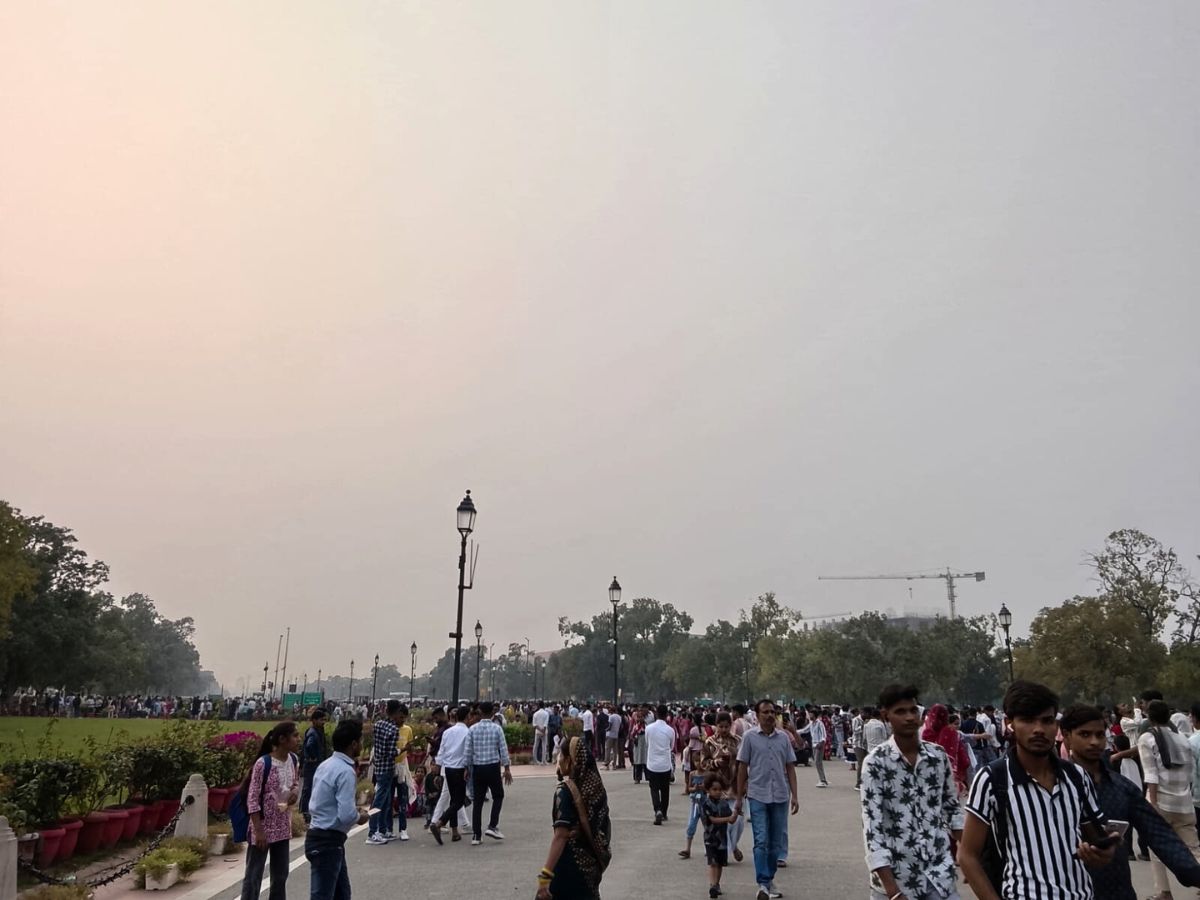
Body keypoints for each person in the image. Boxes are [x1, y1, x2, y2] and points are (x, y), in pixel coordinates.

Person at [959, 680, 1118, 900]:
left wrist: (1104, 851)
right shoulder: (992, 779)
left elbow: (1097, 836)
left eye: (1047, 721)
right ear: (1009, 723)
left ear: (1056, 725)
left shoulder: (1076, 777)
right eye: (1027, 720)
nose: (1039, 730)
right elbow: (967, 855)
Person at [1060, 704, 1200, 900]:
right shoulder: (1054, 788)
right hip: (1070, 890)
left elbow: (1158, 833)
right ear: (1066, 737)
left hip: (1119, 890)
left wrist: (1193, 873)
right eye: (1084, 735)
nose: (1094, 742)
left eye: (1099, 735)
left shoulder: (1121, 787)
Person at [860, 685, 963, 900]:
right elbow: (873, 829)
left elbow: (953, 810)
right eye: (900, 712)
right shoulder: (876, 763)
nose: (909, 717)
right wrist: (893, 892)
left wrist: (970, 855)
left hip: (939, 875)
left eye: (913, 710)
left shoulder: (937, 757)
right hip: (896, 880)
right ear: (885, 715)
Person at [734, 698, 799, 900]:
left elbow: (790, 767)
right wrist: (738, 796)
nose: (770, 715)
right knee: (761, 840)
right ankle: (763, 883)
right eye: (766, 712)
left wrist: (795, 795)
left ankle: (769, 878)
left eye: (773, 712)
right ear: (757, 715)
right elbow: (742, 767)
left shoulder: (783, 739)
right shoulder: (749, 737)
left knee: (775, 843)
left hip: (780, 795)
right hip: (757, 795)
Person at [1137, 699, 1200, 899]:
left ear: (1149, 716)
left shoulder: (1147, 738)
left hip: (1161, 802)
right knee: (1194, 848)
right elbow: (1190, 773)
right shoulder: (1182, 738)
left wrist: (1153, 804)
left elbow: (1151, 775)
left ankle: (1163, 891)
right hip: (1184, 803)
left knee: (1157, 849)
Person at [536, 736, 611, 900]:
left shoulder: (565, 792)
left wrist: (545, 875)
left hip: (569, 864)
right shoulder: (596, 788)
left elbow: (561, 835)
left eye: (561, 756)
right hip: (590, 867)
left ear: (570, 760)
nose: (559, 759)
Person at [305, 720, 370, 900]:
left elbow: (322, 801)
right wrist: (360, 816)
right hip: (328, 841)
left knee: (341, 894)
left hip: (321, 837)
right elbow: (346, 815)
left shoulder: (326, 765)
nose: (362, 745)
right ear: (354, 744)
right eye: (361, 741)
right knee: (324, 896)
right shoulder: (345, 771)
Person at [241, 722, 301, 900]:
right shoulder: (263, 763)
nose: (299, 739)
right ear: (282, 739)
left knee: (280, 875)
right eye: (295, 735)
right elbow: (252, 798)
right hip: (263, 828)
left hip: (282, 827)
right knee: (254, 876)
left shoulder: (294, 760)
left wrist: (294, 793)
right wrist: (258, 830)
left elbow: (295, 782)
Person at [466, 700, 514, 845]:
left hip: (478, 767)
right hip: (493, 766)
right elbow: (503, 749)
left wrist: (467, 769)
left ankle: (476, 835)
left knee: (478, 801)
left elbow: (468, 752)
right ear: (493, 713)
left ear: (479, 712)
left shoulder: (472, 729)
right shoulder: (497, 729)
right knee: (498, 795)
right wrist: (507, 768)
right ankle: (492, 825)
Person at [430, 705, 471, 844]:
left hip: (448, 768)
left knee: (453, 799)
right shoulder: (467, 732)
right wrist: (468, 767)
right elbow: (467, 752)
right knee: (458, 801)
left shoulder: (448, 732)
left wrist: (438, 767)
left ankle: (455, 832)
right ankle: (439, 823)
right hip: (460, 768)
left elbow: (442, 750)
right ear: (467, 717)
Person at [365, 700, 402, 845]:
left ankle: (380, 830)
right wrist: (400, 751)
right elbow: (391, 752)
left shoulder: (378, 724)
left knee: (382, 800)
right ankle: (373, 832)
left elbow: (378, 746)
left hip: (378, 766)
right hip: (387, 767)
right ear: (397, 712)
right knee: (379, 802)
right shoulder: (393, 729)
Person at [922, 704, 971, 796]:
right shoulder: (951, 732)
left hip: (930, 778)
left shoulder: (926, 734)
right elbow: (963, 759)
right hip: (950, 778)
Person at [702, 772, 737, 899]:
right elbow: (712, 820)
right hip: (710, 838)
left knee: (721, 863)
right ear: (708, 789)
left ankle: (717, 884)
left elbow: (731, 818)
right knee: (713, 862)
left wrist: (736, 813)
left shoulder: (724, 804)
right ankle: (712, 885)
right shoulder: (706, 804)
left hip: (722, 839)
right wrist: (728, 818)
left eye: (719, 789)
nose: (717, 792)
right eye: (714, 789)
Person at [645, 703, 677, 825]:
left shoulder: (649, 728)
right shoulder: (670, 730)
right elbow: (672, 746)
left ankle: (657, 809)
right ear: (667, 715)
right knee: (665, 789)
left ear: (656, 713)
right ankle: (664, 812)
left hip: (652, 763)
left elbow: (648, 743)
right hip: (665, 764)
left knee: (654, 788)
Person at [300, 709, 329, 823]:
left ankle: (309, 811)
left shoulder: (317, 731)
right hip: (312, 765)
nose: (323, 722)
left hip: (315, 764)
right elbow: (309, 745)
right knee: (308, 788)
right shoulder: (313, 732)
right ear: (314, 720)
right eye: (321, 720)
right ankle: (304, 812)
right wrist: (313, 757)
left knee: (313, 788)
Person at [392, 703, 413, 842]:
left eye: (404, 718)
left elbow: (409, 747)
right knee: (388, 800)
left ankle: (403, 829)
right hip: (390, 765)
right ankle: (388, 828)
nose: (401, 721)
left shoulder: (408, 730)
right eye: (400, 717)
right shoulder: (390, 729)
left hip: (402, 766)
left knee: (403, 799)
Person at [799, 706, 828, 787]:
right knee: (817, 762)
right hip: (814, 745)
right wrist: (794, 731)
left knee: (818, 762)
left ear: (814, 715)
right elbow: (804, 730)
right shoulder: (811, 724)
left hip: (819, 745)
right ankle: (822, 779)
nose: (809, 716)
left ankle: (823, 780)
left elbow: (823, 735)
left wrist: (821, 743)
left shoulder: (820, 723)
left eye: (811, 715)